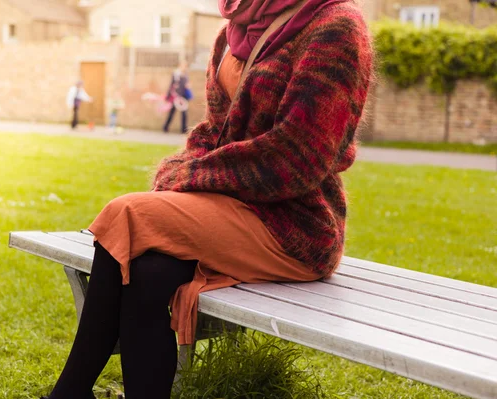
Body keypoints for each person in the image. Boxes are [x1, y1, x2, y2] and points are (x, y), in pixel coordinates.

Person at [40, 0, 373, 398]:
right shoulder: (235, 28)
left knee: (125, 214)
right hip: (229, 208)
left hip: (293, 224)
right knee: (148, 275)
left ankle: (68, 393)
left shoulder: (335, 27)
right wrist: (185, 167)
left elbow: (299, 156)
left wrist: (189, 175)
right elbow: (215, 132)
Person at [162, 60, 191, 134]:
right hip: (176, 97)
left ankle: (183, 129)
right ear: (180, 66)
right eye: (183, 65)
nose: (184, 67)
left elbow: (186, 85)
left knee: (184, 113)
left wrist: (188, 86)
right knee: (172, 112)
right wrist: (168, 96)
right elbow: (171, 85)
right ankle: (165, 127)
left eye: (185, 66)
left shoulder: (185, 75)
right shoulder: (176, 74)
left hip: (183, 97)